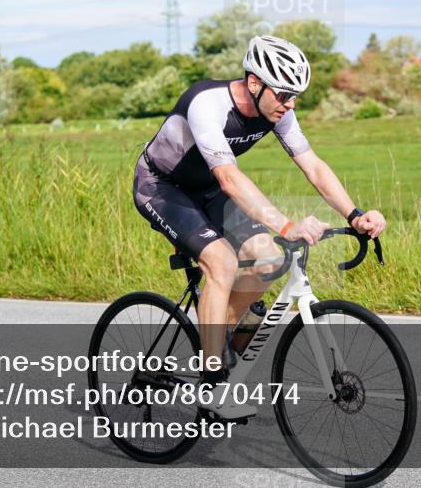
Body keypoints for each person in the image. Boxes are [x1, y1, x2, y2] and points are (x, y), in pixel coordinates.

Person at [132, 34, 386, 419]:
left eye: (295, 96)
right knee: (221, 263)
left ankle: (219, 337)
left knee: (269, 259)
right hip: (163, 187)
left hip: (208, 188)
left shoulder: (277, 110)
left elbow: (312, 165)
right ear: (255, 83)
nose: (290, 104)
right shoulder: (208, 104)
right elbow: (230, 180)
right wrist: (286, 225)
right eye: (284, 95)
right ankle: (213, 378)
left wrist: (355, 214)